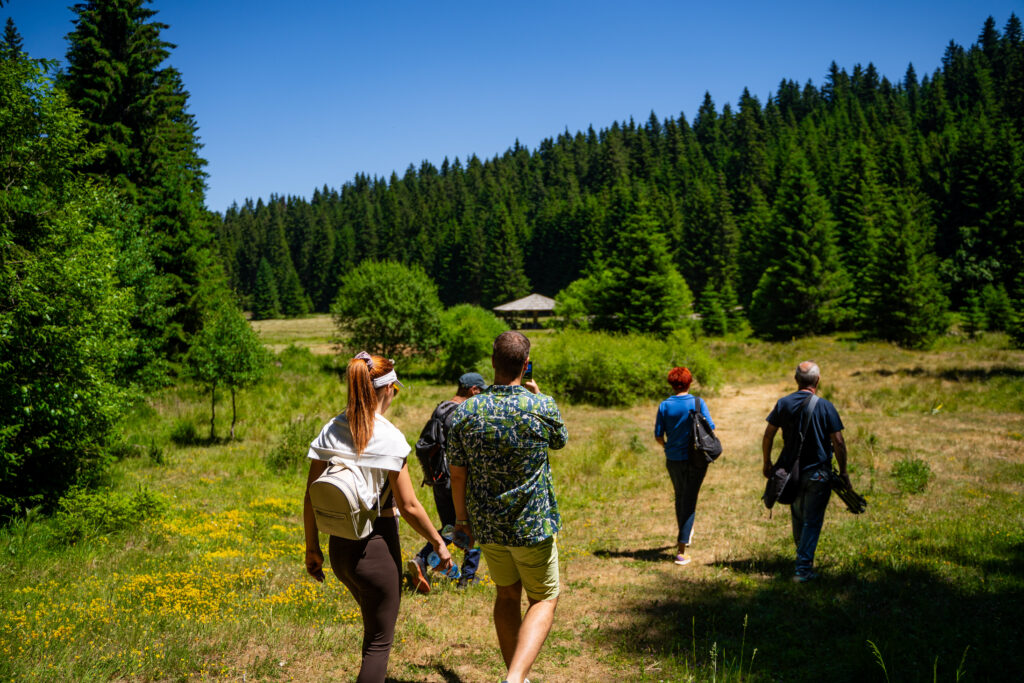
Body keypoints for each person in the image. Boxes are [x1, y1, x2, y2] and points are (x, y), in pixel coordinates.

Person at [303, 352, 452, 683]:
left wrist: (312, 549)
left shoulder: (331, 429)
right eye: (395, 390)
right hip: (377, 547)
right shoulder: (388, 437)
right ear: (387, 390)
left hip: (340, 550)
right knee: (378, 645)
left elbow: (310, 494)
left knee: (374, 629)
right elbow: (410, 506)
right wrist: (439, 544)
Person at [448, 331, 568, 683]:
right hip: (532, 525)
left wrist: (461, 520)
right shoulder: (540, 406)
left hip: (487, 524)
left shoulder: (466, 410)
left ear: (492, 362)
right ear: (526, 364)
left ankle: (517, 677)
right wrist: (540, 395)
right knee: (544, 598)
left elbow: (458, 475)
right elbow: (560, 440)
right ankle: (515, 678)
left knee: (506, 595)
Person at [761, 361, 849, 583]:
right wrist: (844, 472)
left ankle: (803, 559)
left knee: (799, 516)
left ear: (796, 380)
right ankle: (802, 568)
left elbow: (768, 435)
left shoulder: (783, 404)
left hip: (792, 472)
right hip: (818, 472)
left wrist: (767, 462)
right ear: (817, 380)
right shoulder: (825, 406)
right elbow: (838, 442)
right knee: (812, 520)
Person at [407, 371, 487, 593]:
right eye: (480, 393)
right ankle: (467, 577)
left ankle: (422, 561)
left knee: (451, 526)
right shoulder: (463, 413)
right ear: (473, 391)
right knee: (470, 524)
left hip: (438, 479)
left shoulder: (441, 408)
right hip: (456, 479)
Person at [654, 366, 715, 566]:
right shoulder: (698, 402)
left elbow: (658, 435)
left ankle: (685, 532)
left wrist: (668, 447)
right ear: (689, 382)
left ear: (671, 383)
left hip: (673, 459)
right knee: (689, 500)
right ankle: (681, 551)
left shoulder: (664, 406)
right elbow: (710, 427)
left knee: (680, 496)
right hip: (696, 459)